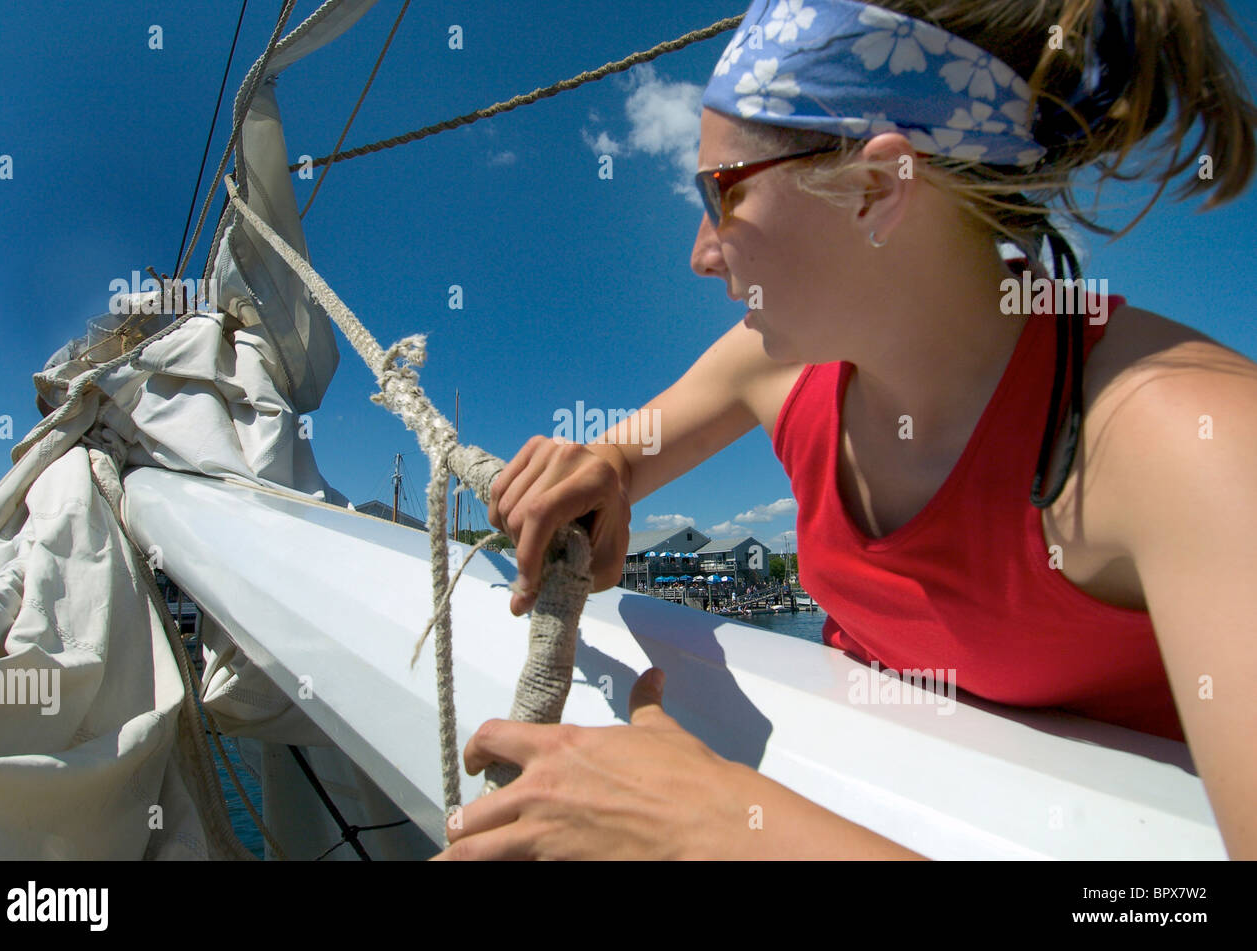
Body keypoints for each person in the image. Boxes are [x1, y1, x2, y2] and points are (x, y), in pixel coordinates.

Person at [433, 0, 1257, 860]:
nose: (701, 254)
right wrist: (597, 470)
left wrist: (712, 829)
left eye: (722, 193)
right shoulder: (775, 367)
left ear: (878, 189)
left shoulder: (1186, 441)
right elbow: (615, 455)